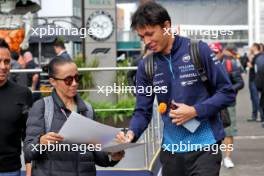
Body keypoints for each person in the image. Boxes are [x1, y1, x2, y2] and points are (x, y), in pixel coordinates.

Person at [116, 2, 235, 176]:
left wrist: (195, 111)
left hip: (205, 148)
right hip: (171, 152)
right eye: (142, 37)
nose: (147, 42)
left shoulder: (198, 50)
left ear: (166, 26)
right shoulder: (146, 66)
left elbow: (227, 92)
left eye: (150, 34)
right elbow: (142, 111)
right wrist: (131, 133)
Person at [23, 57, 124, 176]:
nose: (75, 83)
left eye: (77, 78)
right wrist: (41, 142)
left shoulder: (88, 110)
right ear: (53, 81)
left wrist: (113, 156)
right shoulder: (42, 107)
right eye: (68, 80)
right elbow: (28, 152)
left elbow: (97, 156)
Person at [0, 38, 33, 176]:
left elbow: (29, 135)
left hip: (10, 170)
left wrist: (30, 170)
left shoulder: (23, 93)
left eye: (7, 61)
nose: (3, 66)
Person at [209, 43, 244, 168]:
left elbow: (240, 83)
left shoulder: (230, 64)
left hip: (228, 104)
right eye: (211, 53)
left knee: (229, 132)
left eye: (215, 53)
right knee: (211, 131)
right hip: (211, 104)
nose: (213, 55)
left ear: (221, 52)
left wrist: (227, 91)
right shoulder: (205, 65)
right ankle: (214, 156)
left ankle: (227, 157)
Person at [247, 43, 264, 122]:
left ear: (255, 47)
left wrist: (251, 66)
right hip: (252, 79)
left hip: (255, 80)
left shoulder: (259, 56)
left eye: (251, 47)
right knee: (253, 98)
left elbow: (258, 69)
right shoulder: (254, 56)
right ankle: (254, 115)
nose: (250, 48)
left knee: (257, 98)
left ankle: (261, 116)